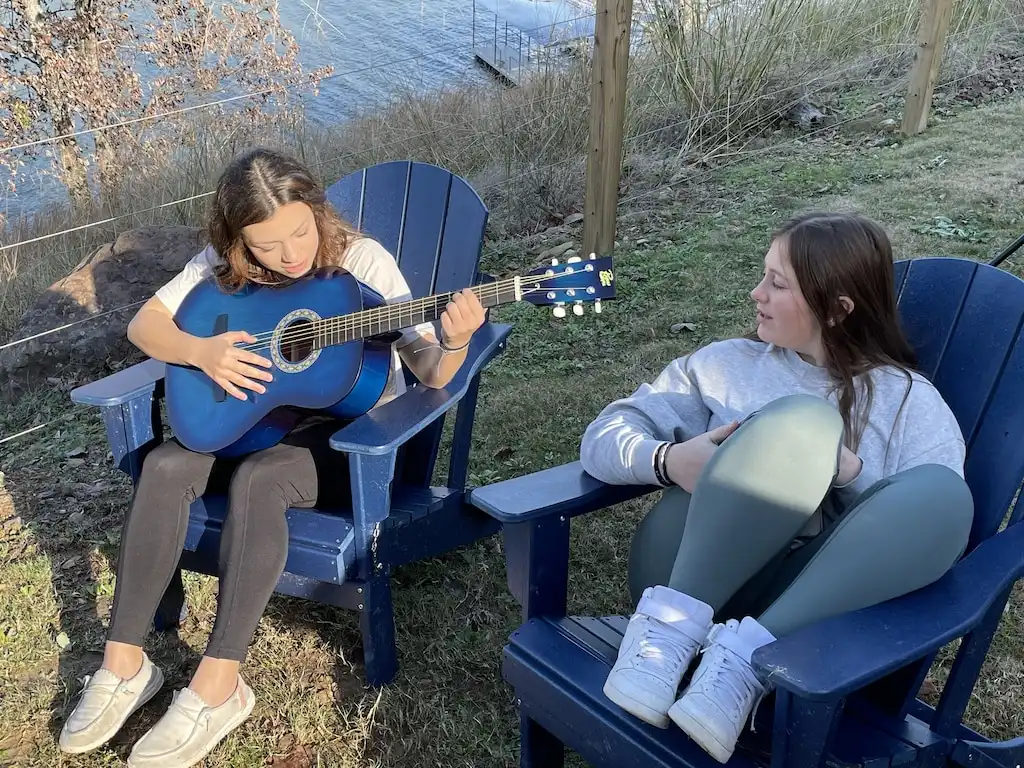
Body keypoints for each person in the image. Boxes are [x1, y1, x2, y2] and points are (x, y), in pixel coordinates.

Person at [58, 148, 487, 767]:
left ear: (317, 211)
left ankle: (219, 685)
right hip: (253, 421)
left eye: (300, 232)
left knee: (259, 480)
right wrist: (199, 353)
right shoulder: (221, 266)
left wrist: (453, 341)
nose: (290, 255)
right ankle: (125, 664)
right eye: (266, 245)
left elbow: (428, 368)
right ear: (237, 242)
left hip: (342, 442)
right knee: (164, 465)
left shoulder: (361, 265)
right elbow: (144, 326)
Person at [579, 211, 974, 763]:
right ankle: (668, 630)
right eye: (763, 275)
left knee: (943, 493)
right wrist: (669, 460)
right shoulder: (725, 367)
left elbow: (936, 526)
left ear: (837, 309)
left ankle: (744, 662)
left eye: (777, 283)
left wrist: (848, 476)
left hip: (807, 626)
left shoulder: (909, 402)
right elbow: (604, 435)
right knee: (800, 423)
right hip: (685, 578)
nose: (755, 292)